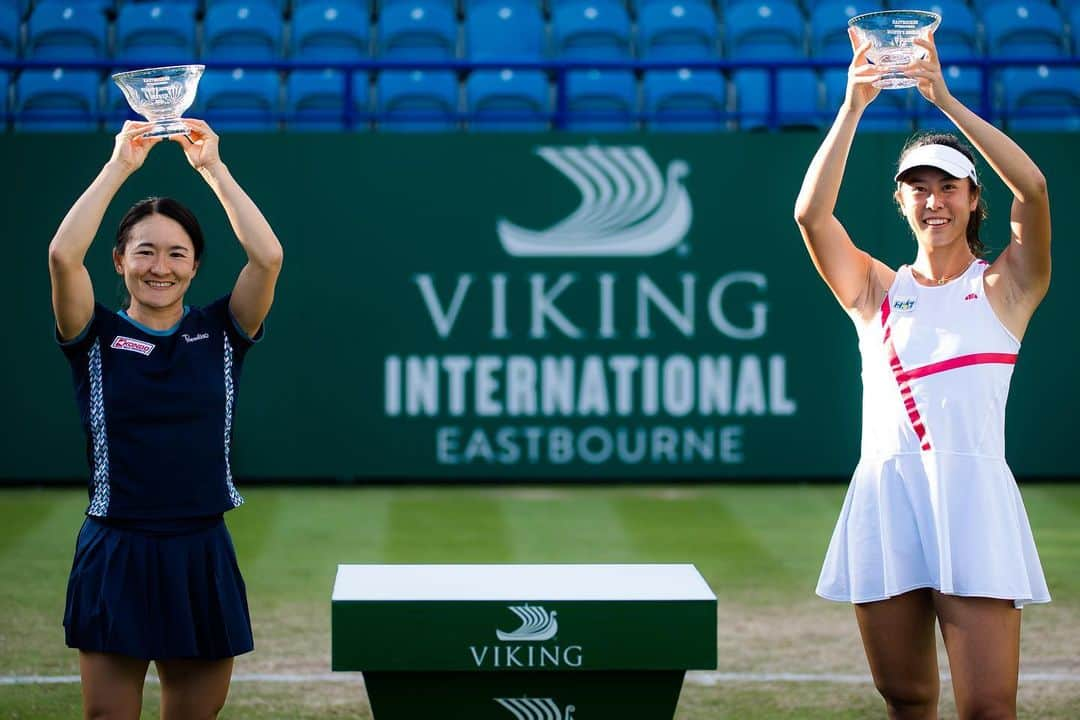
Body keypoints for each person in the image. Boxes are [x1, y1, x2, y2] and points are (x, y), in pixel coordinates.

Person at [794, 29, 1051, 720]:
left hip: (972, 497)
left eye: (948, 186)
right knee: (905, 698)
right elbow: (810, 214)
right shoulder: (876, 289)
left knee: (988, 708)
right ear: (900, 202)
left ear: (973, 200)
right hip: (887, 493)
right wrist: (852, 106)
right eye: (918, 188)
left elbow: (1032, 185)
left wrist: (944, 99)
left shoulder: (1007, 287)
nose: (933, 200)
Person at [48, 118, 283, 720]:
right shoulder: (91, 333)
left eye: (176, 252)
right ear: (119, 260)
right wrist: (121, 164)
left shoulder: (222, 330)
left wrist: (212, 169)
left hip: (201, 549)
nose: (160, 266)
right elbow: (61, 254)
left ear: (196, 265)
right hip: (116, 545)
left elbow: (267, 255)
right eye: (144, 251)